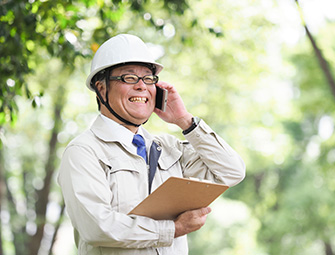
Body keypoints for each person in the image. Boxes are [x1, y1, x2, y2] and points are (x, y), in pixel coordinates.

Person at [58, 34, 246, 255]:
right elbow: (97, 227)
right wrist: (173, 229)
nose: (141, 87)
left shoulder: (168, 148)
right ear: (101, 89)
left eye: (148, 79)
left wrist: (185, 121)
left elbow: (232, 172)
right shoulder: (84, 151)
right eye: (129, 78)